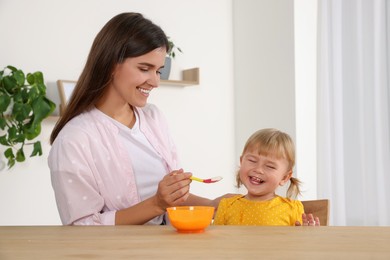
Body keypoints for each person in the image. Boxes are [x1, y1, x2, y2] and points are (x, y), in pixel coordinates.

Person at [48, 12, 228, 226]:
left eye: (159, 71)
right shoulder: (74, 140)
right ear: (111, 65)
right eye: (145, 69)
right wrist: (156, 204)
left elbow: (172, 199)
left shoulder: (153, 118)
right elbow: (81, 227)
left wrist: (216, 205)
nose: (155, 82)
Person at [213, 128, 320, 226]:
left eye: (270, 166)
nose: (258, 169)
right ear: (241, 162)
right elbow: (217, 243)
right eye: (252, 161)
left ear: (284, 177)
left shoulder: (292, 209)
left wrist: (308, 235)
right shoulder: (226, 206)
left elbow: (299, 245)